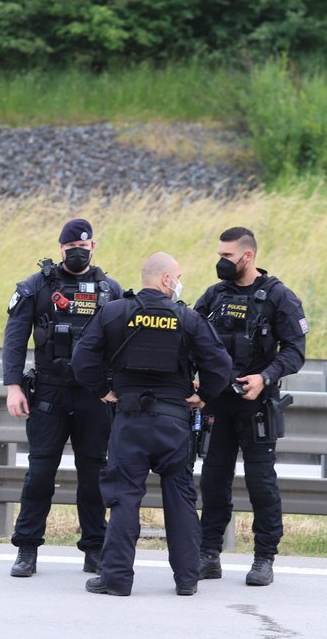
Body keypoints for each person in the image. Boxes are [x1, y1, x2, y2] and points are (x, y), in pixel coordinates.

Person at [71, 252, 232, 596]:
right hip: (174, 425)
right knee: (180, 500)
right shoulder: (187, 318)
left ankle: (116, 580)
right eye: (177, 276)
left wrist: (103, 390)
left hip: (129, 423)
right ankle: (187, 581)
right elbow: (220, 363)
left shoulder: (114, 313)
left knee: (124, 499)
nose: (179, 282)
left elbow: (82, 358)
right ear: (166, 280)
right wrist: (204, 396)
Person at [2, 218, 123, 577]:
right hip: (49, 392)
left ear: (93, 247)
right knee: (40, 473)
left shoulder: (110, 289)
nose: (77, 254)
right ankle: (27, 549)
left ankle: (94, 549)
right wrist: (12, 385)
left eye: (83, 249)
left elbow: (122, 344)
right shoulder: (36, 287)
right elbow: (14, 337)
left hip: (95, 395)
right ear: (61, 249)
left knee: (93, 475)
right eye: (71, 249)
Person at [194, 226, 308, 586]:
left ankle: (264, 558)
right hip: (218, 403)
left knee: (261, 483)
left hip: (256, 405)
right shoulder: (214, 296)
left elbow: (294, 352)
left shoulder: (278, 297)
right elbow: (189, 337)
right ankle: (208, 554)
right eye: (219, 255)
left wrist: (265, 377)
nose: (220, 262)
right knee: (213, 480)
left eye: (226, 256)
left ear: (248, 256)